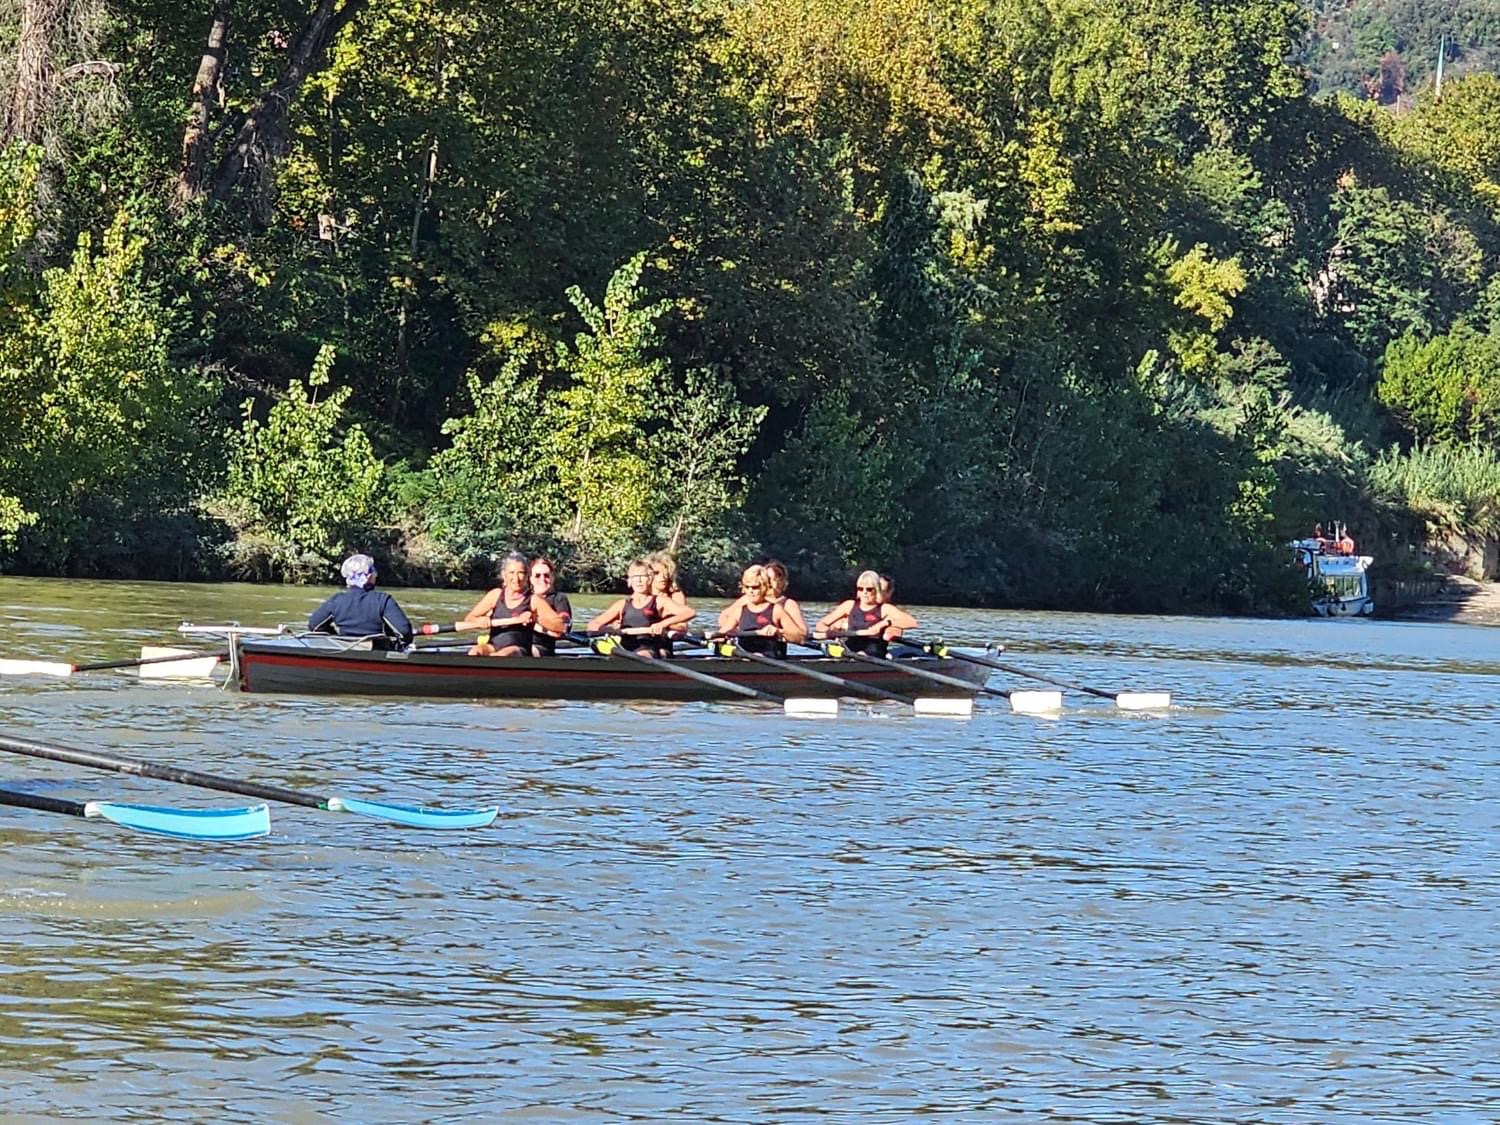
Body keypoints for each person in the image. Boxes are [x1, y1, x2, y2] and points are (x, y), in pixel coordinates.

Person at [460, 552, 567, 657]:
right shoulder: (495, 595)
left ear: (527, 575)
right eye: (511, 573)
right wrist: (481, 620)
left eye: (521, 573)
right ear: (504, 575)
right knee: (475, 651)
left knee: (502, 655)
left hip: (519, 650)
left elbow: (561, 627)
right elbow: (469, 619)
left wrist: (536, 618)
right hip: (493, 646)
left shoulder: (534, 600)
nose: (516, 578)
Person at [587, 559, 696, 658]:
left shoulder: (660, 601)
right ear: (630, 581)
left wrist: (662, 624)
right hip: (625, 649)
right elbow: (592, 625)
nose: (639, 581)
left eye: (643, 576)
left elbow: (690, 612)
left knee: (642, 654)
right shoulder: (622, 604)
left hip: (651, 649)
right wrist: (610, 630)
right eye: (635, 577)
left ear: (650, 579)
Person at [307, 553, 413, 650]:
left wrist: (335, 637)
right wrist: (398, 644)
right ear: (369, 576)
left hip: (344, 649)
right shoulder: (383, 600)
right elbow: (404, 631)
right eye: (374, 572)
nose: (376, 575)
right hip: (376, 653)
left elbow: (314, 626)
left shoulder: (336, 600)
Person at [813, 569, 919, 658]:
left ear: (876, 590)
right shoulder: (849, 605)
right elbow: (820, 625)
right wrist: (831, 632)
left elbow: (912, 622)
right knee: (833, 653)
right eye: (860, 589)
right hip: (850, 646)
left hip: (873, 649)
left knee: (860, 655)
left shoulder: (885, 608)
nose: (864, 592)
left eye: (869, 589)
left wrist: (885, 623)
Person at [713, 565, 801, 657]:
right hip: (745, 659)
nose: (750, 591)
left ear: (764, 587)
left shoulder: (776, 610)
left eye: (755, 587)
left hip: (769, 660)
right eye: (747, 587)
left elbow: (800, 637)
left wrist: (779, 632)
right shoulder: (739, 611)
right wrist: (719, 637)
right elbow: (722, 633)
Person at [528, 555, 573, 657]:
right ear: (530, 578)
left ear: (552, 578)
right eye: (537, 576)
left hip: (541, 647)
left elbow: (564, 626)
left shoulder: (559, 599)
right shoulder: (522, 598)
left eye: (546, 575)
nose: (542, 579)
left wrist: (537, 624)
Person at [763, 559, 809, 645]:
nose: (768, 583)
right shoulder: (749, 601)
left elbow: (803, 633)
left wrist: (779, 631)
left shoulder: (788, 604)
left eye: (771, 580)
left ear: (781, 582)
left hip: (773, 649)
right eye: (765, 579)